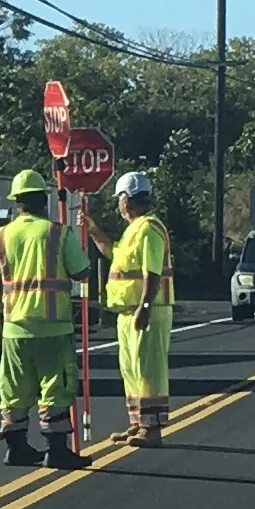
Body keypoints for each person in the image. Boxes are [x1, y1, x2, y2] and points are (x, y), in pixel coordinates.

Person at [0, 168, 92, 470]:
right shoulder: (57, 233)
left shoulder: (1, 236)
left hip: (13, 329)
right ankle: (56, 451)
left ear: (17, 202)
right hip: (53, 327)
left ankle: (16, 448)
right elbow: (82, 271)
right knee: (55, 387)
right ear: (42, 201)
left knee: (14, 389)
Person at [88, 170, 174, 447]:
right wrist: (93, 230)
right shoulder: (133, 231)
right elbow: (114, 254)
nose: (117, 205)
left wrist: (145, 307)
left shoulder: (149, 229)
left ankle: (153, 430)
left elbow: (152, 274)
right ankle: (138, 423)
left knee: (149, 370)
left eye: (119, 199)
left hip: (146, 309)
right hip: (129, 311)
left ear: (127, 199)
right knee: (132, 369)